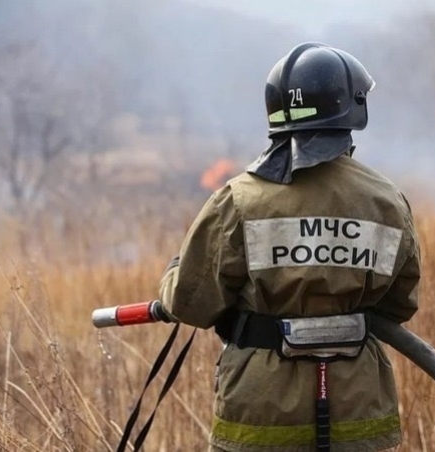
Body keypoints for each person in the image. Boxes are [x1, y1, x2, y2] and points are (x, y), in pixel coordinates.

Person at [158, 42, 421, 452]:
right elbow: (399, 306)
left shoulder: (239, 200)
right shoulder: (386, 201)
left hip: (261, 416)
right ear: (352, 107)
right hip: (357, 414)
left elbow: (189, 303)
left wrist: (176, 271)